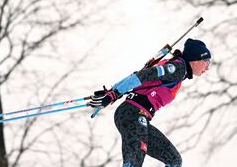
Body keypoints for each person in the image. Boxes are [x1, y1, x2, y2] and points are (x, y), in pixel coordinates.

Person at [89, 38, 212, 167]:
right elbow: (143, 75)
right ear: (196, 60)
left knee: (174, 161)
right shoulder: (177, 68)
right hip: (132, 114)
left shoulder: (180, 70)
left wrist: (113, 91)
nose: (207, 68)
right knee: (134, 161)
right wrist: (115, 92)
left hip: (137, 116)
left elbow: (138, 76)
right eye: (207, 62)